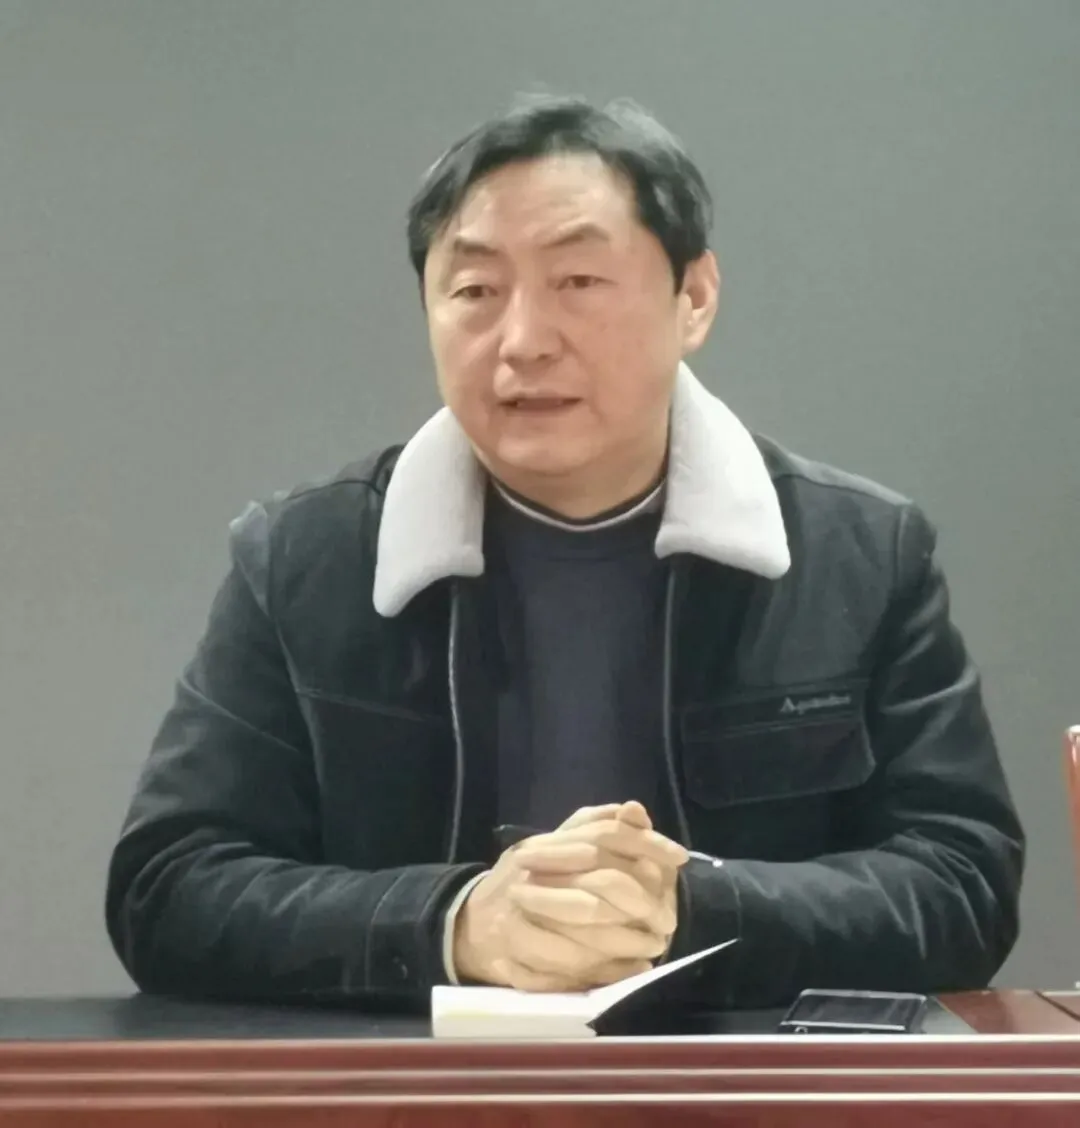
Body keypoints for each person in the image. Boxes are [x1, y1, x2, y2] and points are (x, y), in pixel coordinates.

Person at [105, 95, 1024, 1009]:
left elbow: (964, 884)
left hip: (740, 1084)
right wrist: (456, 923)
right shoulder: (307, 559)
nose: (523, 342)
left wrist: (687, 910)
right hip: (415, 1084)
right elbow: (168, 888)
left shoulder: (857, 556)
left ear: (694, 298)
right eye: (475, 291)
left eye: (578, 282)